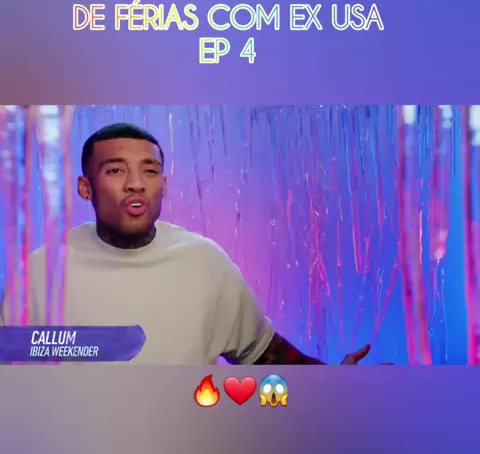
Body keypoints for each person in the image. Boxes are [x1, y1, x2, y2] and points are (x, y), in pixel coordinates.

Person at [0, 123, 373, 365]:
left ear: (163, 185)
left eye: (149, 171)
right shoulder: (41, 274)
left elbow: (264, 355)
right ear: (85, 187)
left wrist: (333, 384)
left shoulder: (204, 262)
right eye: (115, 170)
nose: (136, 183)